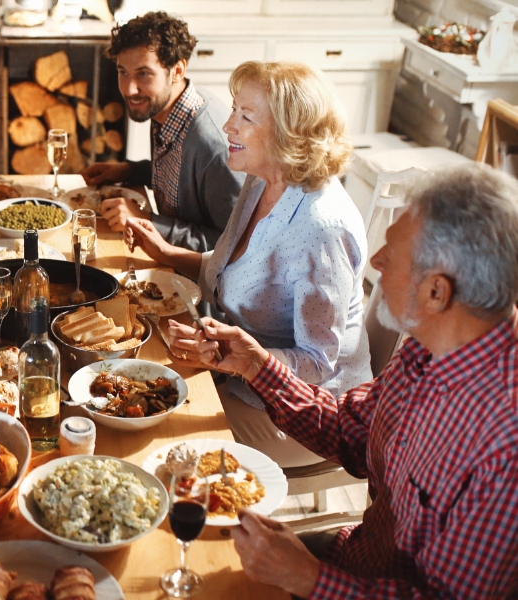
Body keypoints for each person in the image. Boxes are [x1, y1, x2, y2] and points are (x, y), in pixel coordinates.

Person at [167, 163, 518, 598]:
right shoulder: (428, 349)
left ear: (436, 292)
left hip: (348, 585)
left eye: (393, 253)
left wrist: (308, 579)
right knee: (178, 549)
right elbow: (350, 429)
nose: (374, 261)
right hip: (354, 557)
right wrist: (256, 366)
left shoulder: (504, 446)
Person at [128, 61, 372, 468]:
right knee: (137, 386)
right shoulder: (262, 180)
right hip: (243, 377)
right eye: (233, 110)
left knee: (158, 431)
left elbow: (316, 363)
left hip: (306, 413)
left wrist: (236, 359)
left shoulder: (321, 227)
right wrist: (168, 255)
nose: (228, 126)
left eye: (245, 116)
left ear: (289, 131)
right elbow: (237, 270)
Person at [80, 11, 243, 252]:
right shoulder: (164, 108)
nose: (129, 89)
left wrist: (147, 221)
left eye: (143, 74)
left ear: (177, 71)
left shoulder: (214, 147)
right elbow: (178, 178)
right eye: (122, 72)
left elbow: (234, 246)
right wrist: (129, 170)